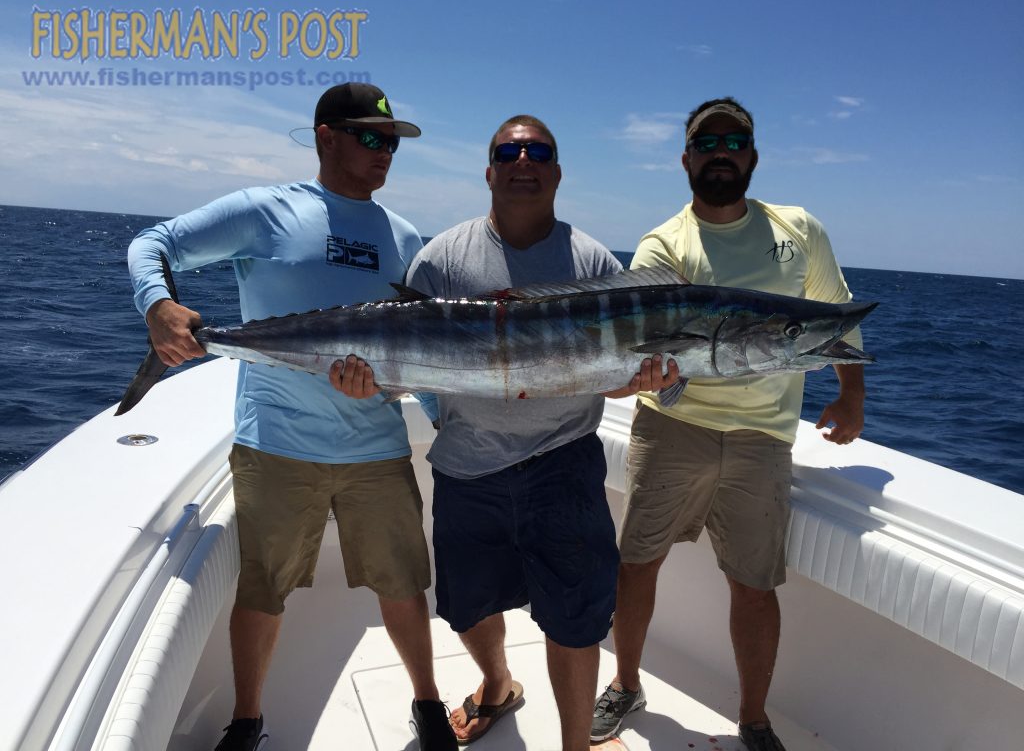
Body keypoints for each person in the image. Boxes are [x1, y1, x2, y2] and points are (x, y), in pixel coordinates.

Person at [127, 82, 457, 751]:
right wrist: (158, 305)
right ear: (325, 136)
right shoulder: (265, 210)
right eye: (371, 138)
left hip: (375, 447)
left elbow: (416, 346)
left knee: (403, 584)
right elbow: (152, 243)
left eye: (391, 143)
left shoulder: (401, 234)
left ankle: (427, 708)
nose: (384, 153)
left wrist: (445, 417)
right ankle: (248, 720)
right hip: (277, 445)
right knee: (263, 589)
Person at [334, 115, 676, 751]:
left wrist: (636, 380)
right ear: (490, 171)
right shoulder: (443, 258)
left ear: (556, 171)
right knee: (469, 606)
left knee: (576, 618)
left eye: (538, 151)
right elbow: (407, 360)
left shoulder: (594, 261)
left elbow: (605, 372)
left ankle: (576, 744)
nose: (524, 161)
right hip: (468, 463)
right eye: (509, 152)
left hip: (563, 461)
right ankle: (498, 684)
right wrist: (372, 381)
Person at [590, 98, 867, 751]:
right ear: (687, 159)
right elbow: (632, 353)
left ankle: (753, 717)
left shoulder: (799, 230)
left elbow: (836, 317)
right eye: (707, 141)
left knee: (753, 583)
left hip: (764, 437)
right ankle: (626, 683)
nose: (721, 150)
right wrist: (641, 377)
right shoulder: (664, 244)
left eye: (734, 140)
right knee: (637, 565)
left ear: (753, 156)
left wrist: (851, 394)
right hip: (671, 425)